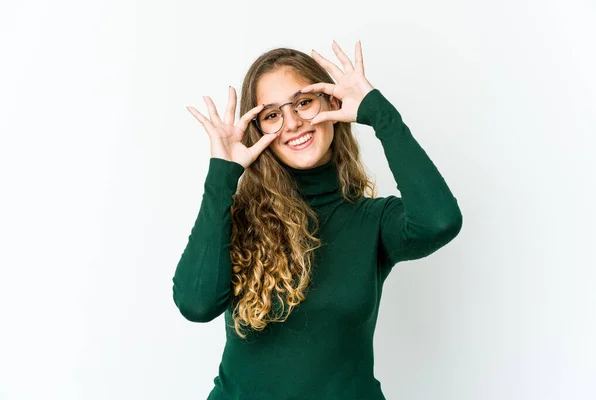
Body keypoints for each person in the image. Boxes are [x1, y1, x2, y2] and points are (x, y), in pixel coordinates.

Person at [172, 40, 463, 400]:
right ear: (258, 130)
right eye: (273, 114)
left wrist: (380, 113)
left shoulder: (373, 220)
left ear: (332, 104)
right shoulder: (236, 220)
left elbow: (440, 221)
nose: (293, 122)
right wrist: (223, 175)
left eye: (303, 102)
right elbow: (196, 305)